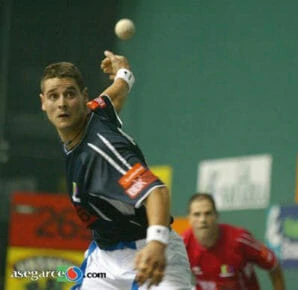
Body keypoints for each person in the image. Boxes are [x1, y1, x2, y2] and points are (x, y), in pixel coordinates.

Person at [39, 50, 192, 290]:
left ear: (83, 97)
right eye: (53, 96)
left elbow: (156, 192)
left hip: (149, 249)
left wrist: (157, 244)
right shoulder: (94, 110)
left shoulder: (102, 151)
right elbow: (116, 94)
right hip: (105, 260)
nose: (62, 103)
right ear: (43, 102)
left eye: (69, 94)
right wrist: (124, 73)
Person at [182, 193, 285, 290]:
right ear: (189, 218)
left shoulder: (240, 240)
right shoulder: (182, 245)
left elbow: (273, 265)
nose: (202, 220)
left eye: (208, 213)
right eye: (197, 214)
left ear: (216, 216)